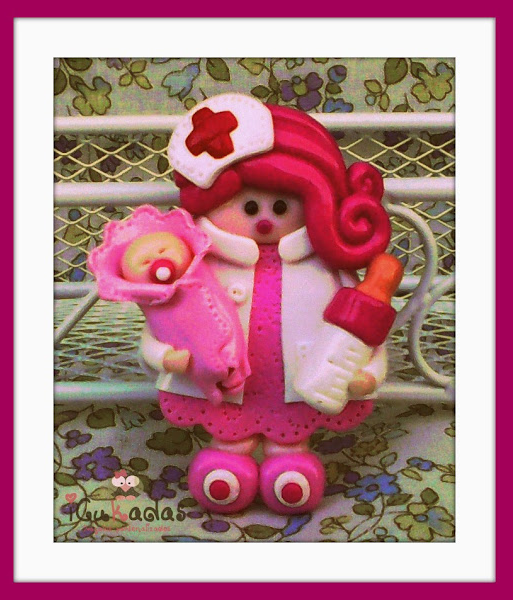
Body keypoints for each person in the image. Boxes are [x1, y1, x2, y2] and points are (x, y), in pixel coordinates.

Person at [141, 93, 393, 514]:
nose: (263, 219)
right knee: (229, 431)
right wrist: (163, 357)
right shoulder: (196, 269)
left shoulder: (327, 271)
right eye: (248, 206)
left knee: (289, 437)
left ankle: (289, 463)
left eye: (280, 207)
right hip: (221, 389)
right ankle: (228, 460)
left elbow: (365, 332)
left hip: (297, 388)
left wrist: (368, 374)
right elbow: (161, 326)